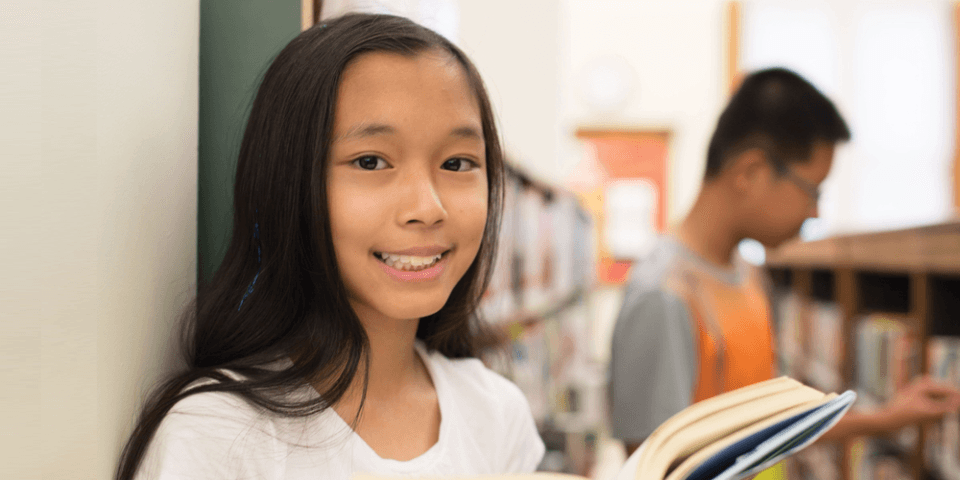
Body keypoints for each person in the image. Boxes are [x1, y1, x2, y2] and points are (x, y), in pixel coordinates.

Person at [116, 13, 544, 480]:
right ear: (290, 182)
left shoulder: (497, 415)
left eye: (458, 163)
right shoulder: (215, 434)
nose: (428, 207)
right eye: (371, 161)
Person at [608, 67, 960, 460]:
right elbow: (653, 464)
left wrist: (885, 417)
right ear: (752, 172)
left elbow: (768, 426)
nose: (813, 212)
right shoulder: (664, 295)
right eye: (811, 191)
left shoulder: (747, 275)